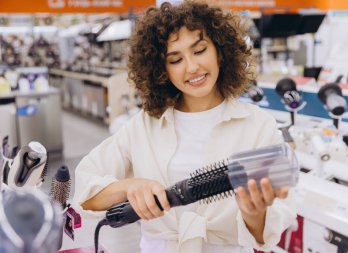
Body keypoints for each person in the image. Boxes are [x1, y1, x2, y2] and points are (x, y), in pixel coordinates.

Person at [73, 2, 296, 253]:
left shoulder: (257, 125)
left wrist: (254, 213)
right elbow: (85, 195)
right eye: (175, 59)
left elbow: (269, 231)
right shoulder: (145, 126)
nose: (191, 67)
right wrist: (129, 186)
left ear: (220, 51)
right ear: (162, 70)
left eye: (199, 50)